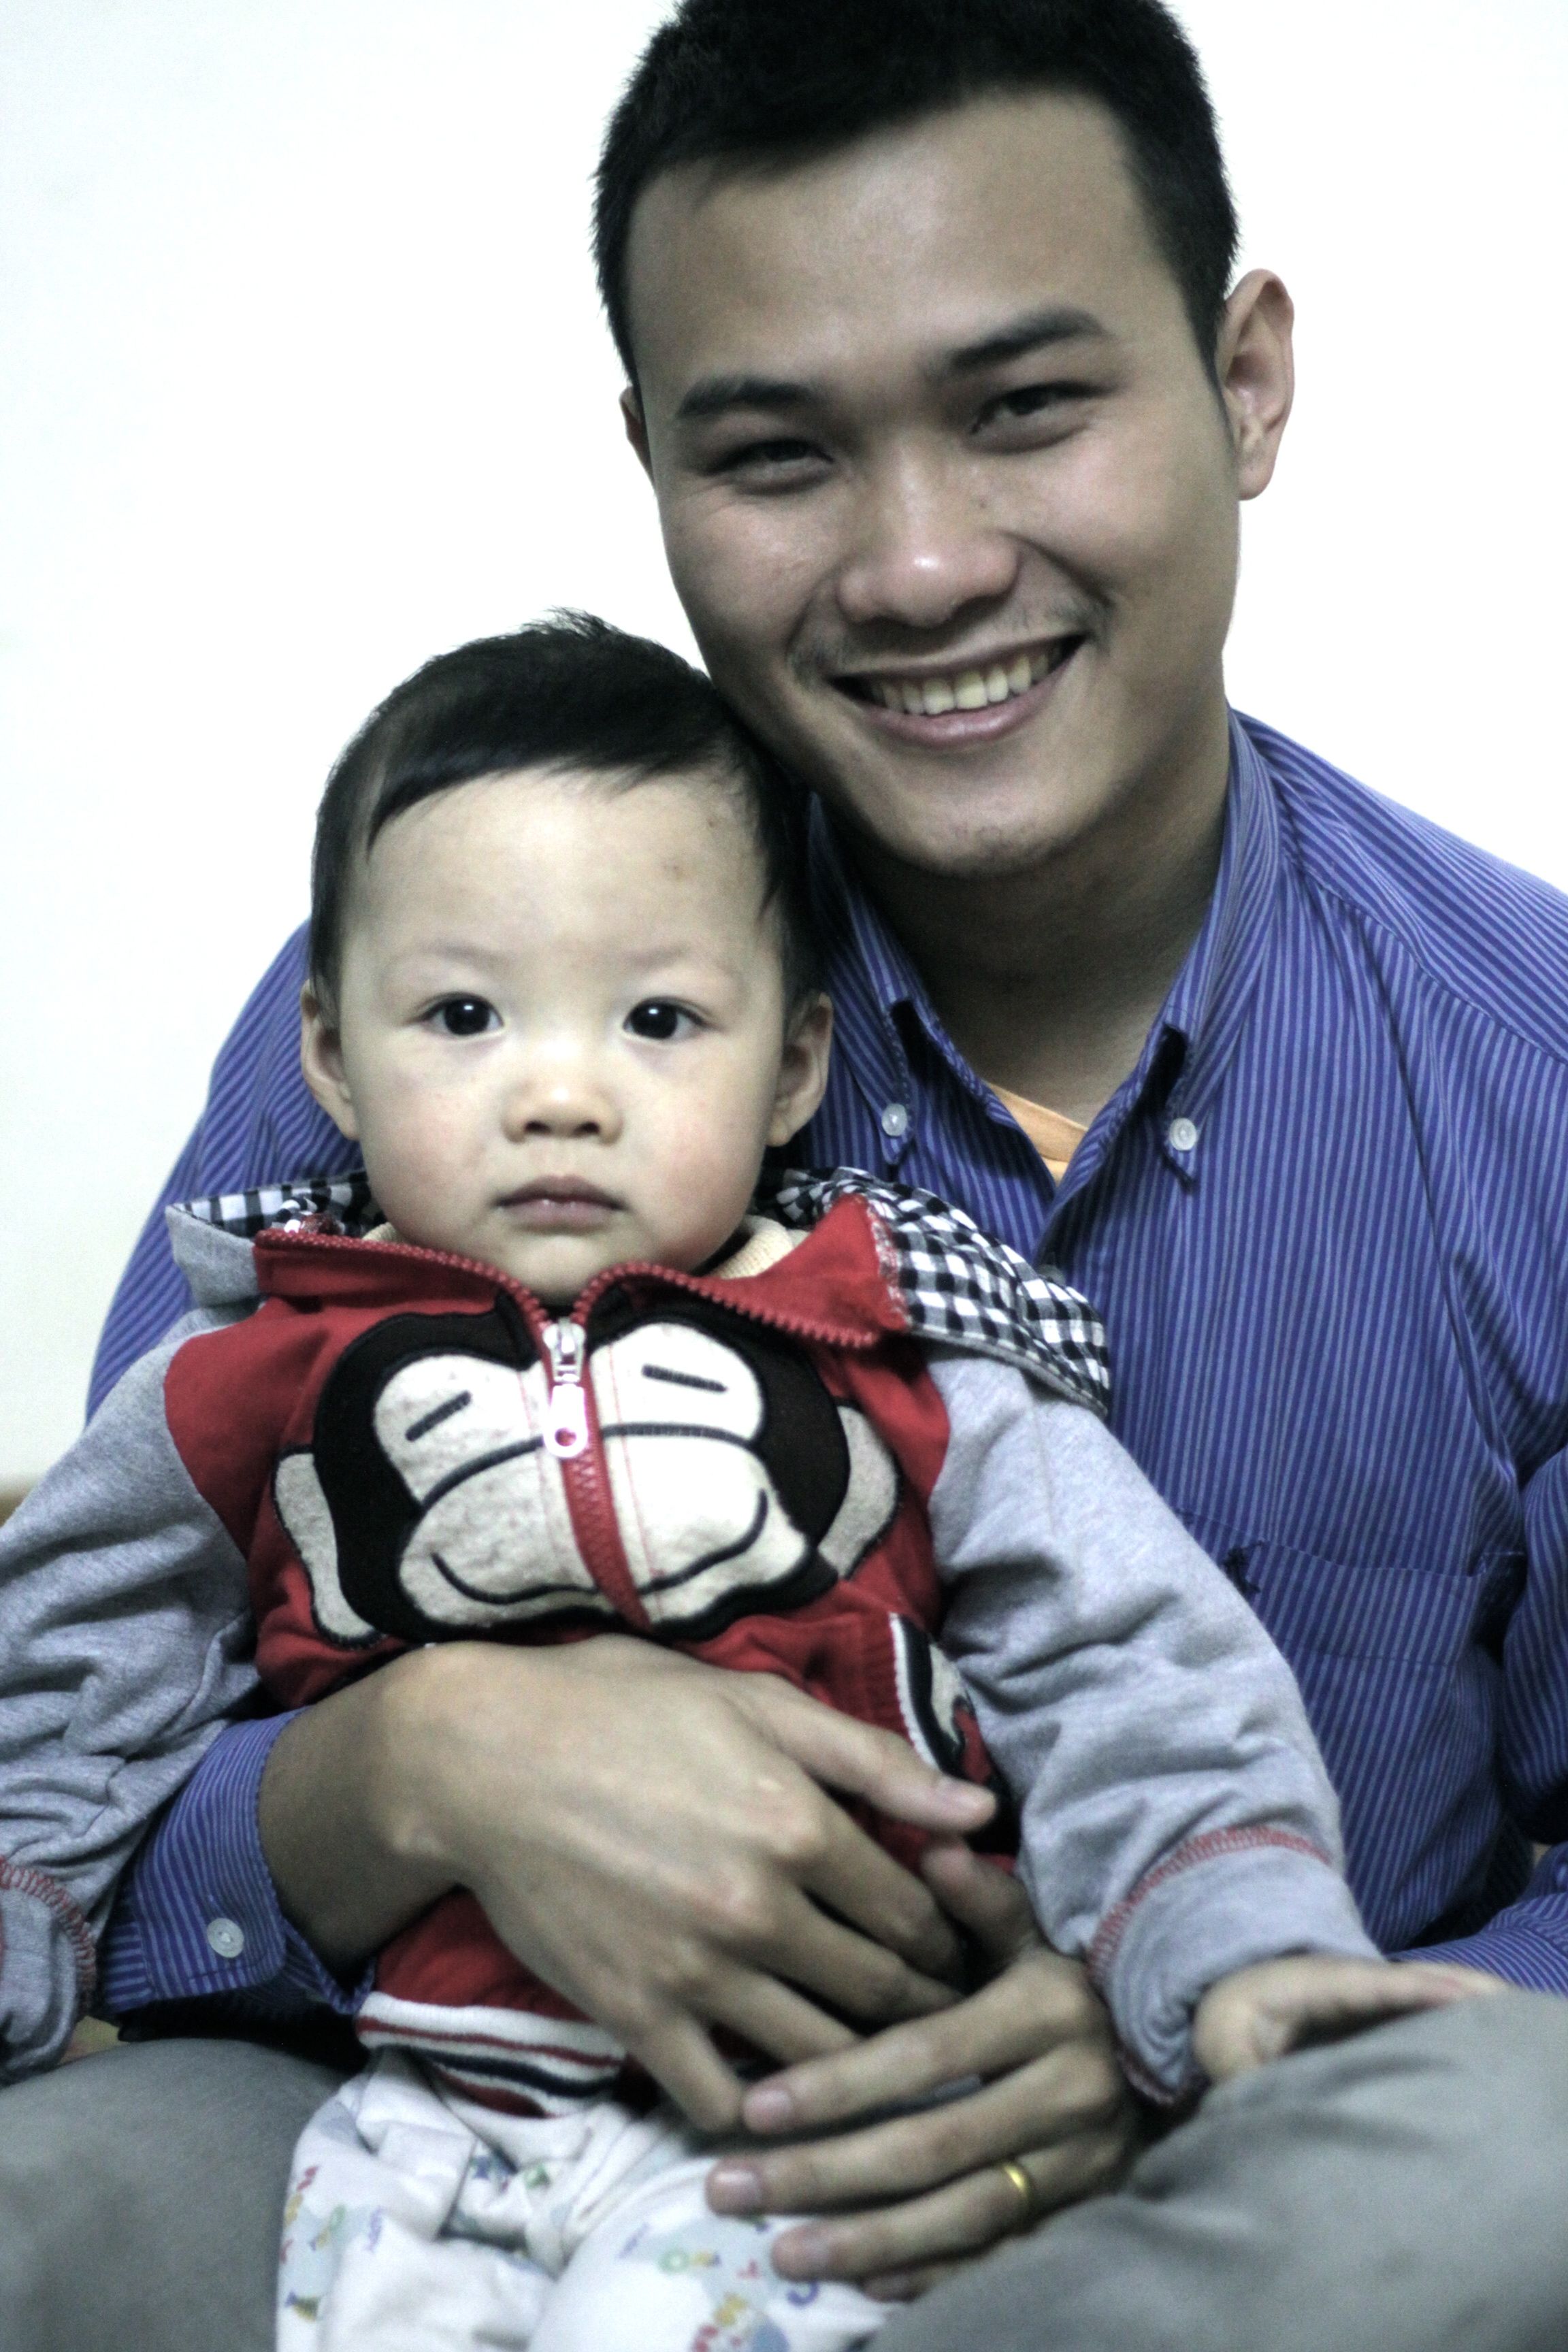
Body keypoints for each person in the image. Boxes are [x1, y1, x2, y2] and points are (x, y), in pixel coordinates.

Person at [4, 1, 1568, 2347]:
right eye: (774, 454)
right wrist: (410, 1772)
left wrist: (1194, 2020)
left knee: (1522, 2155)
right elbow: (92, 1712)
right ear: (648, 457)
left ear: (1244, 383)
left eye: (1024, 407)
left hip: (1218, 2212)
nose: (919, 565)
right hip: (420, 2133)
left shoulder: (1534, 1072)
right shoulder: (444, 1000)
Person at [3, 616, 1469, 2351]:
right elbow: (72, 1661)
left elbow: (1130, 1658)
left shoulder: (902, 1352)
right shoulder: (249, 1366)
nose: (560, 1094)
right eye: (464, 1017)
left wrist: (1233, 1953)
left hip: (799, 2136)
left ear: (792, 1068)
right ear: (329, 1055)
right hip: (407, 2117)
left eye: (658, 1020)